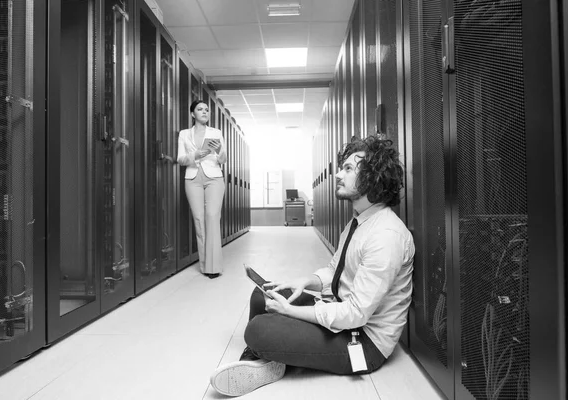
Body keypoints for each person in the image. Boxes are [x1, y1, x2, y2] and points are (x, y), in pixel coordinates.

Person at [209, 135, 414, 396]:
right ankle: (267, 357)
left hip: (363, 341)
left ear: (373, 177)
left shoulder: (386, 235)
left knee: (258, 329)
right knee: (263, 295)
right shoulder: (359, 221)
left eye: (349, 169)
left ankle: (262, 354)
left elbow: (355, 315)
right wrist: (304, 282)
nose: (338, 175)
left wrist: (290, 312)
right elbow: (334, 269)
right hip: (339, 311)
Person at [177, 100, 227, 279]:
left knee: (212, 217)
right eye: (200, 109)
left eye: (207, 110)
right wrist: (194, 155)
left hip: (214, 177)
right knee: (199, 221)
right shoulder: (184, 134)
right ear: (193, 114)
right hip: (192, 178)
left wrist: (219, 149)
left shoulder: (216, 133)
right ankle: (205, 265)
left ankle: (214, 267)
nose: (205, 112)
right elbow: (180, 159)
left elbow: (223, 160)